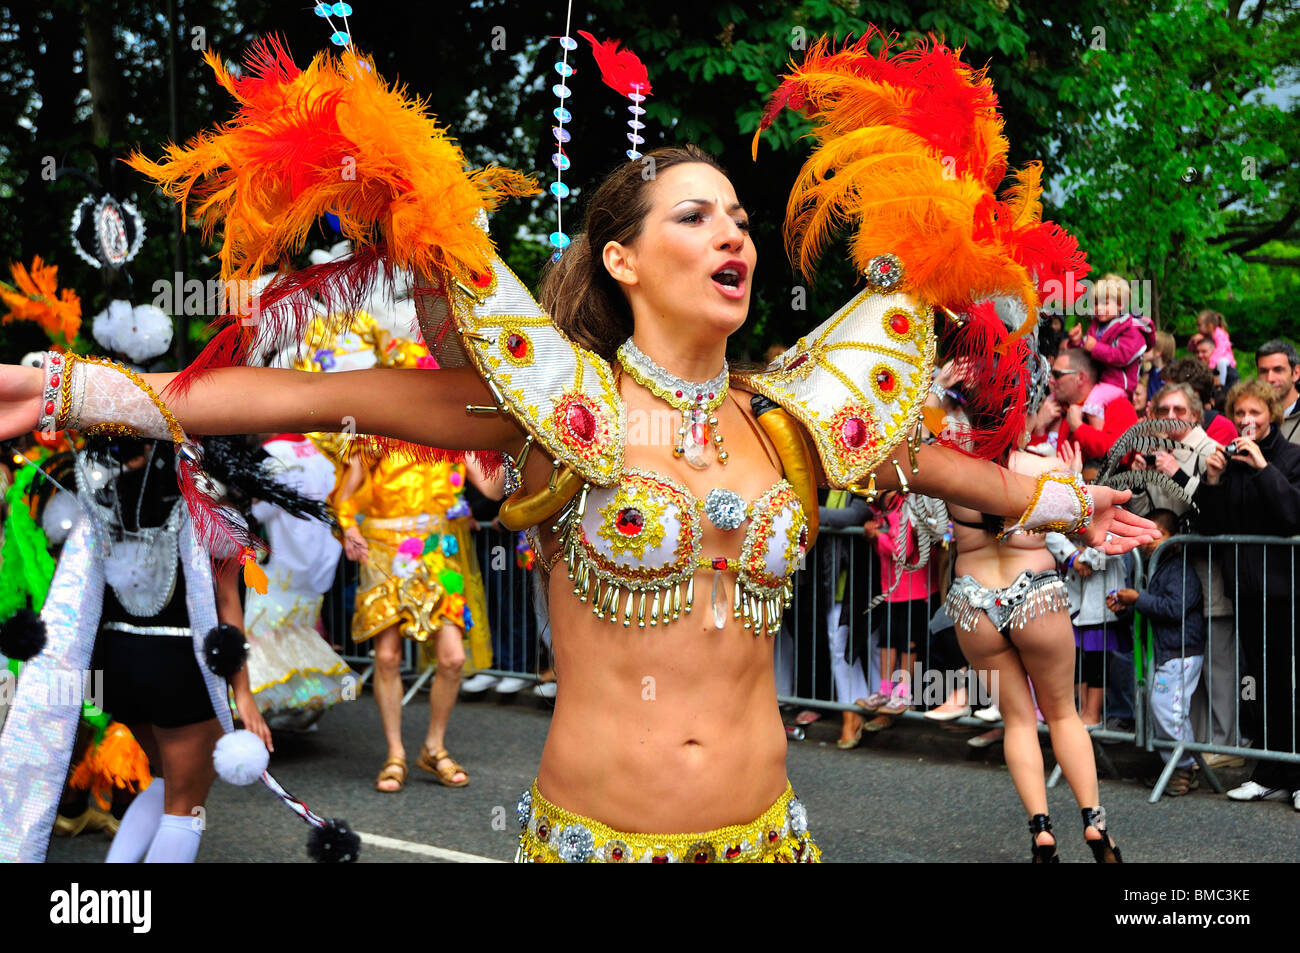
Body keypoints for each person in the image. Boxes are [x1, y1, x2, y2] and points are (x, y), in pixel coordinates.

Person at [8, 31, 1155, 859]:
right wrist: (59, 384)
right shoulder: (554, 415)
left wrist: (1063, 507)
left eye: (742, 219)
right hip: (593, 845)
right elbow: (283, 393)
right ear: (621, 258)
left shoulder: (787, 423)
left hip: (771, 843)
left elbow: (936, 466)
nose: (734, 235)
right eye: (695, 216)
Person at [946, 436, 1124, 862]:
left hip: (973, 602)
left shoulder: (948, 466)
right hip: (1036, 597)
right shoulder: (1041, 465)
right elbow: (1080, 527)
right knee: (1063, 713)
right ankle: (1094, 823)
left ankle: (1042, 831)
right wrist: (1075, 480)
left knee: (1019, 722)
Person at [1196, 379, 1300, 809]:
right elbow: (1212, 530)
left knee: (1292, 685)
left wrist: (1263, 469)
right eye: (1240, 414)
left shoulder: (1291, 458)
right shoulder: (1233, 460)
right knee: (1263, 686)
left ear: (1272, 415)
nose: (1246, 421)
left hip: (1288, 591)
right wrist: (1215, 482)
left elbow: (1292, 514)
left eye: (1255, 413)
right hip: (1247, 590)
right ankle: (1269, 773)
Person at [1127, 382, 1239, 757]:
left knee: (1219, 665)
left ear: (1194, 414)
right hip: (1171, 577)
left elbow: (1213, 513)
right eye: (1163, 411)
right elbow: (1147, 519)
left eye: (1179, 410)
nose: (1170, 417)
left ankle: (1224, 746)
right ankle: (1193, 746)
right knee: (1186, 665)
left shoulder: (1211, 451)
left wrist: (1175, 472)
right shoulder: (1159, 453)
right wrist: (1141, 481)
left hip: (1210, 574)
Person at [242, 432, 354, 731]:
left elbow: (262, 509)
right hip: (319, 563)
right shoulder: (322, 450)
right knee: (299, 635)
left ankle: (260, 711)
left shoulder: (271, 453)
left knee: (263, 636)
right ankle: (301, 706)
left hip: (281, 563)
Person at [1108, 509, 1204, 796]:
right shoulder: (1153, 566)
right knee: (1163, 707)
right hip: (1165, 649)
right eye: (1146, 534)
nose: (1150, 541)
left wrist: (1139, 598)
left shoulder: (1179, 569)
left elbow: (1174, 608)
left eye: (1158, 535)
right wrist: (1129, 606)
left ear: (1174, 538)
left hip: (1180, 650)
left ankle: (1182, 766)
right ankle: (1178, 766)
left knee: (1168, 709)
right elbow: (1151, 607)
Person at [1065, 273, 1151, 396]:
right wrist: (1077, 342)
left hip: (1118, 385)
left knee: (1093, 405)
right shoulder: (1096, 326)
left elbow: (1123, 356)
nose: (1099, 308)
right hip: (1097, 381)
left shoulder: (1131, 328)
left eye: (1105, 303)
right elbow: (1086, 354)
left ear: (1121, 304)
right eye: (1095, 303)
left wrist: (1095, 348)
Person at [1048, 348, 1138, 459]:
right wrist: (1039, 428)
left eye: (1057, 374)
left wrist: (1078, 426)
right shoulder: (1055, 407)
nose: (1051, 380)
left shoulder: (1120, 406)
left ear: (1081, 378)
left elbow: (1118, 453)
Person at [1163, 357, 1237, 444]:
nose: (1164, 397)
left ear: (1194, 395)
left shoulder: (1221, 427)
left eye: (1172, 392)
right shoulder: (1166, 419)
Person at [1255, 339, 1300, 445]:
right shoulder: (1248, 414)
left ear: (1296, 373)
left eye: (1278, 370)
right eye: (1263, 371)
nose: (1270, 378)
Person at [1196, 310, 1237, 391]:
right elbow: (1192, 349)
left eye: (1200, 325)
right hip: (1214, 360)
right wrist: (1193, 341)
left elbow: (1220, 350)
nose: (1198, 328)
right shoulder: (1204, 336)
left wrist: (1211, 365)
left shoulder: (1220, 334)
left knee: (1221, 362)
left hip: (1225, 358)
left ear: (1210, 326)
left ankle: (1220, 384)